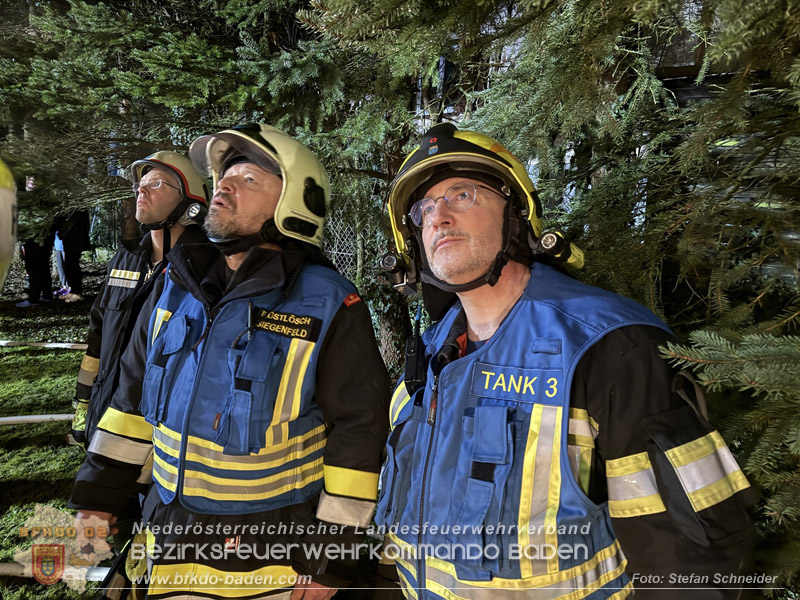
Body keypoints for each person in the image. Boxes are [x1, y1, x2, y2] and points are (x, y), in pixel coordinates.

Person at [376, 123, 758, 599]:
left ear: (515, 214)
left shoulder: (608, 344)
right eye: (424, 208)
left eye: (463, 194)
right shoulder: (429, 359)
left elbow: (692, 558)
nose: (439, 217)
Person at [69, 124, 390, 599]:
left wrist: (328, 560)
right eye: (224, 176)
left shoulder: (328, 304)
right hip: (163, 537)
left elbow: (360, 437)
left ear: (293, 207)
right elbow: (130, 401)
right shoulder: (175, 285)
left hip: (266, 561)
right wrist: (98, 498)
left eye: (249, 180)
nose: (224, 185)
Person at [70, 151, 210, 449]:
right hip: (106, 416)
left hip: (163, 430)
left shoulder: (207, 270)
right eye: (140, 184)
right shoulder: (126, 260)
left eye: (157, 183)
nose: (141, 190)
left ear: (191, 203)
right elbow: (98, 339)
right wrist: (85, 405)